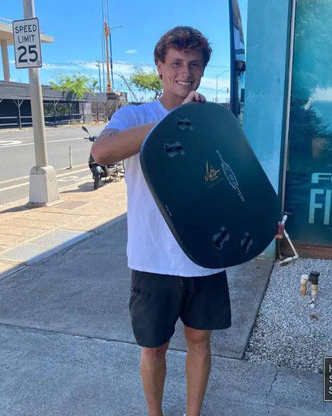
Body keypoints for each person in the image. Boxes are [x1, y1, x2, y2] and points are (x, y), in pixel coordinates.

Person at [91, 26, 231, 416]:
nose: (185, 72)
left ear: (202, 70)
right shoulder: (135, 115)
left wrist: (256, 220)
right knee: (154, 347)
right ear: (159, 67)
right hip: (153, 259)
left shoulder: (214, 119)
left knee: (200, 340)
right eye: (176, 63)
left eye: (194, 64)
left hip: (204, 255)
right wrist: (175, 121)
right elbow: (101, 152)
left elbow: (230, 182)